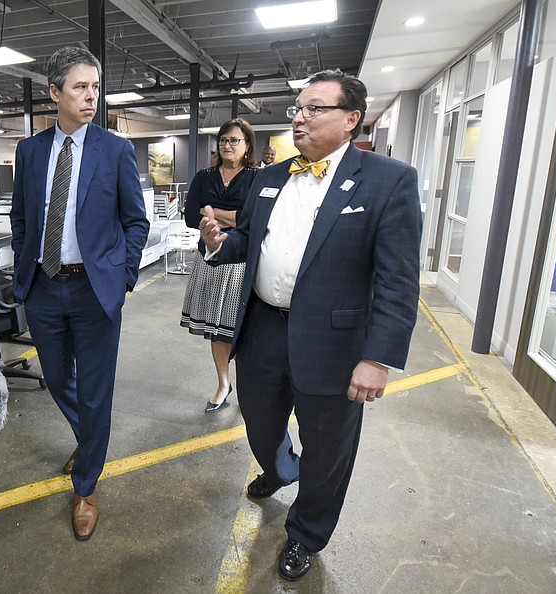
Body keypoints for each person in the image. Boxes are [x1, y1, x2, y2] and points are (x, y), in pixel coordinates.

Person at [199, 69, 421, 581]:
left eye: (314, 108)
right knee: (260, 424)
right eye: (299, 108)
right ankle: (279, 469)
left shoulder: (388, 181)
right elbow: (248, 242)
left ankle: (306, 533)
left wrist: (377, 357)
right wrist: (217, 241)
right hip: (263, 331)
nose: (299, 117)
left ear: (350, 119)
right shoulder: (269, 177)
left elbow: (398, 280)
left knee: (328, 448)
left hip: (336, 343)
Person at [10, 47, 149, 541]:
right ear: (55, 93)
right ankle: (89, 440)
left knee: (96, 391)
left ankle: (86, 485)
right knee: (56, 379)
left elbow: (136, 221)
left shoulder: (114, 150)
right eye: (80, 88)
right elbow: (22, 219)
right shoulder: (29, 152)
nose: (92, 96)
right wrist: (21, 273)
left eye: (95, 87)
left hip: (95, 291)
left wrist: (124, 276)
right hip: (44, 288)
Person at [180, 119, 258, 412]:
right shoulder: (204, 176)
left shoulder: (255, 177)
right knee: (217, 329)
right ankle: (223, 383)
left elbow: (253, 220)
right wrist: (233, 216)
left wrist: (214, 213)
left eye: (234, 140)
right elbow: (191, 217)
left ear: (247, 145)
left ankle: (249, 387)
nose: (227, 145)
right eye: (223, 140)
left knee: (243, 328)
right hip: (210, 261)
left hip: (242, 263)